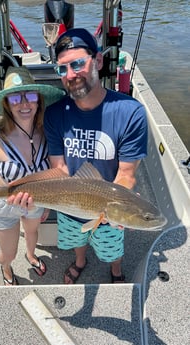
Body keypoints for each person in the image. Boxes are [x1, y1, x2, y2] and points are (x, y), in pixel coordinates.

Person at [8, 28, 148, 284]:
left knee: (112, 250)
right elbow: (59, 169)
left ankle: (116, 270)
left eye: (78, 63)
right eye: (63, 68)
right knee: (76, 240)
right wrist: (25, 190)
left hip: (108, 208)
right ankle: (80, 261)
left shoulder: (130, 112)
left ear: (97, 60)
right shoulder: (54, 114)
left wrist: (122, 205)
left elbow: (126, 174)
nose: (71, 74)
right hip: (68, 204)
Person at [0, 65, 65, 285]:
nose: (25, 104)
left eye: (30, 96)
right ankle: (6, 270)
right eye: (16, 99)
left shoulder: (48, 132)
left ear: (39, 100)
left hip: (37, 202)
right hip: (5, 206)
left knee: (32, 233)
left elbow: (53, 174)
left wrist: (47, 204)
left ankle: (31, 255)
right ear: (7, 104)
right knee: (8, 253)